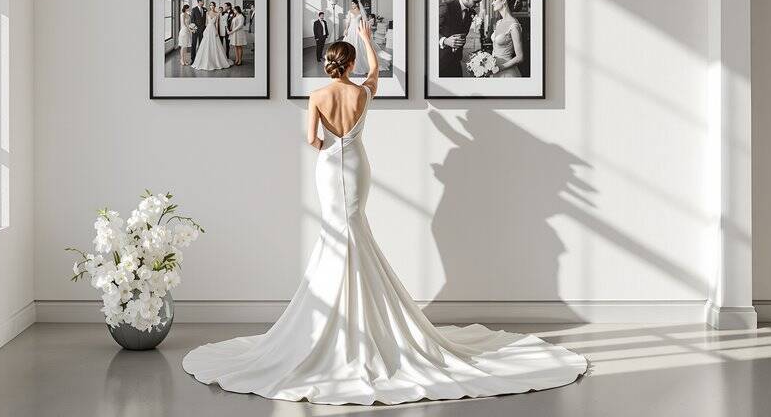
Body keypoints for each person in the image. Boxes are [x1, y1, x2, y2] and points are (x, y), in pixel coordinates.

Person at [181, 20, 587, 405]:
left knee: (334, 233)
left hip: (330, 168)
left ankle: (337, 320)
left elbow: (311, 140)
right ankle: (368, 321)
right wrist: (368, 37)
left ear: (328, 62)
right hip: (358, 165)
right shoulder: (362, 93)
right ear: (350, 63)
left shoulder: (318, 96)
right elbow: (376, 69)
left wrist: (330, 150)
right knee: (356, 230)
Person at [438, 0, 485, 77]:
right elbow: (428, 30)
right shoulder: (446, 7)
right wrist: (445, 40)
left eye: (479, 2)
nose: (477, 5)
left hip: (456, 60)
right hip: (440, 60)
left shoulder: (471, 12)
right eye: (475, 2)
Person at [488, 0, 525, 77]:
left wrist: (499, 68)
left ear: (504, 1)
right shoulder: (498, 22)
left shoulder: (514, 25)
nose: (492, 3)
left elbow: (520, 57)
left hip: (506, 72)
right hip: (494, 69)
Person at [191, 2, 232, 71]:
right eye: (210, 5)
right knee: (206, 44)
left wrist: (216, 31)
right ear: (209, 6)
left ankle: (216, 60)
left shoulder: (217, 13)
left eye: (213, 5)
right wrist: (205, 30)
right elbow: (206, 23)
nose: (212, 6)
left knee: (215, 44)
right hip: (208, 29)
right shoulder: (207, 13)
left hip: (213, 29)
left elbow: (216, 23)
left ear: (215, 6)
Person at [342, 0, 374, 75]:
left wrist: (366, 27)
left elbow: (364, 21)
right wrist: (346, 29)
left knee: (359, 45)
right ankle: (347, 61)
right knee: (349, 45)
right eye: (351, 4)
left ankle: (360, 61)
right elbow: (348, 21)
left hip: (359, 29)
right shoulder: (350, 11)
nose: (352, 5)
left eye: (353, 4)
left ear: (357, 4)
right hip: (351, 30)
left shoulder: (361, 12)